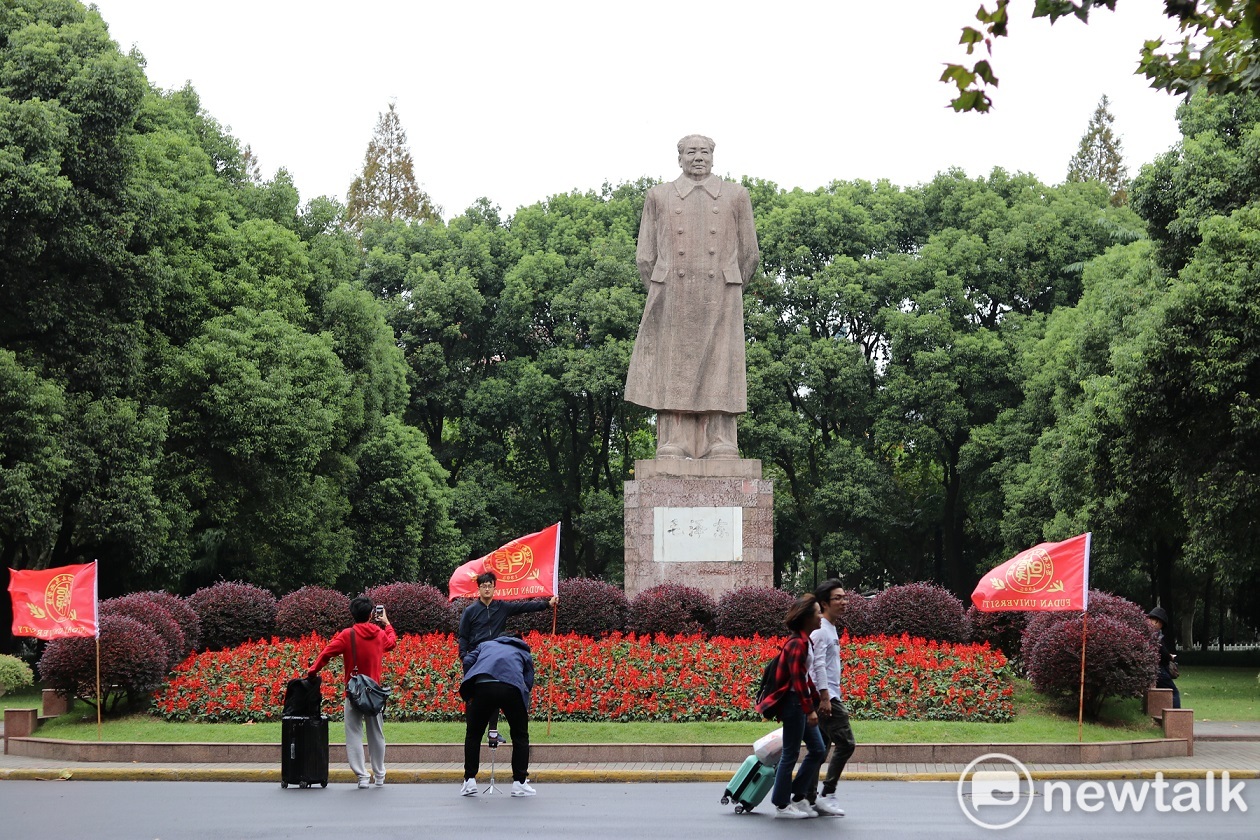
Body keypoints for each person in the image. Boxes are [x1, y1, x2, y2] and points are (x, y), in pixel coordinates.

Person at [624, 134, 760, 460]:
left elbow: (750, 254)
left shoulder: (736, 196)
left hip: (721, 296)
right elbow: (645, 256)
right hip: (674, 295)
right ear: (679, 158)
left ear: (713, 156)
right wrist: (664, 289)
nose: (697, 158)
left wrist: (729, 285)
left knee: (720, 367)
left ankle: (720, 440)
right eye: (690, 152)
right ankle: (675, 439)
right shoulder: (658, 196)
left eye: (703, 152)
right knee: (674, 368)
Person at [308, 596, 397, 788]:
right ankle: (379, 775)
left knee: (354, 734)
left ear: (352, 614)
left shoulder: (347, 635)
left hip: (354, 693)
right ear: (372, 614)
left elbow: (326, 653)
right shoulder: (379, 634)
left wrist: (312, 671)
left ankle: (362, 777)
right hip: (374, 694)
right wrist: (387, 623)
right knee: (377, 734)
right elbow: (392, 643)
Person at [756, 595, 828, 819]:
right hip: (794, 704)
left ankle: (797, 796)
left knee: (818, 749)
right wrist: (810, 709)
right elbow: (797, 681)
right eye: (818, 612)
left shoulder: (805, 641)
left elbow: (804, 677)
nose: (821, 617)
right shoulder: (797, 643)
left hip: (800, 703)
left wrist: (817, 697)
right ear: (807, 617)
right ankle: (781, 804)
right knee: (790, 754)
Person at [458, 634, 537, 797]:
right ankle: (519, 783)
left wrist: (471, 684)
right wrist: (523, 696)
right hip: (511, 687)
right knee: (520, 735)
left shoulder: (485, 645)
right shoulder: (522, 650)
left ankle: (469, 781)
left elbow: (467, 661)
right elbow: (528, 679)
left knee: (473, 734)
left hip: (483, 687)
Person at [807, 579, 855, 816]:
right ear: (824, 603)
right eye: (838, 598)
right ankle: (827, 793)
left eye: (845, 597)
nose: (844, 602)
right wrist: (825, 698)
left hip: (828, 695)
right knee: (846, 743)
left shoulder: (830, 628)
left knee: (821, 748)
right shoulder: (821, 631)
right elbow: (817, 666)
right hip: (826, 698)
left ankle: (808, 796)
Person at [457, 571, 558, 664]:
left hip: (496, 653)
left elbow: (524, 607)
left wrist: (547, 604)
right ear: (479, 588)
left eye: (489, 586)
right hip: (477, 654)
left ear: (494, 588)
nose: (487, 589)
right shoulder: (470, 611)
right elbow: (463, 636)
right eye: (484, 586)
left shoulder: (502, 607)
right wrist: (464, 657)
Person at [1147, 606, 1181, 708]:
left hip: (1148, 669)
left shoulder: (1143, 633)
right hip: (1159, 670)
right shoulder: (1155, 635)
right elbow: (1163, 652)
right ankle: (1177, 716)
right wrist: (1170, 657)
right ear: (1157, 621)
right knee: (1174, 692)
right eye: (1161, 624)